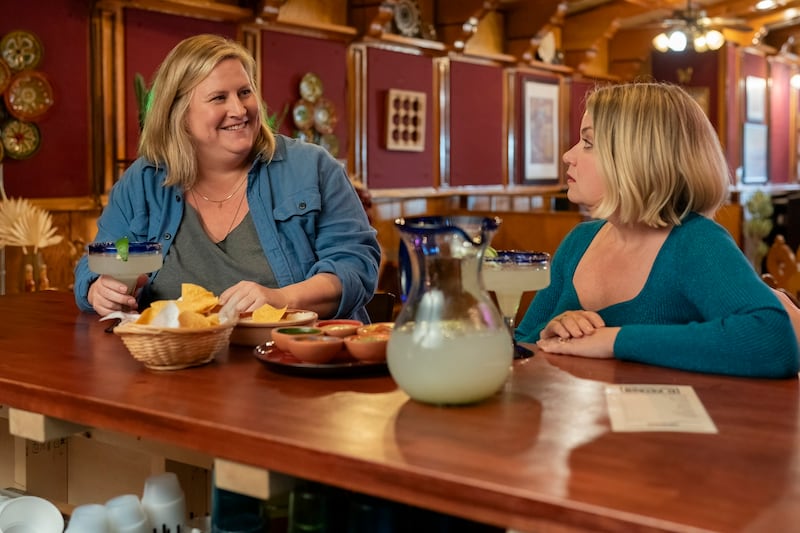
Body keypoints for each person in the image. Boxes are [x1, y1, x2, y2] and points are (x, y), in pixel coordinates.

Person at [74, 34, 381, 322]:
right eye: (219, 98)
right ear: (179, 113)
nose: (239, 109)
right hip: (172, 366)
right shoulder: (143, 180)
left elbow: (355, 267)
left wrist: (280, 298)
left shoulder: (312, 167)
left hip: (293, 363)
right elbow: (99, 260)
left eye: (245, 92)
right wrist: (97, 290)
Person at [515, 82, 800, 378]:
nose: (568, 155)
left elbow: (773, 341)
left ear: (637, 158)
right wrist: (551, 330)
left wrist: (613, 340)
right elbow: (520, 344)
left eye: (588, 143)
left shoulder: (695, 242)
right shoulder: (579, 241)